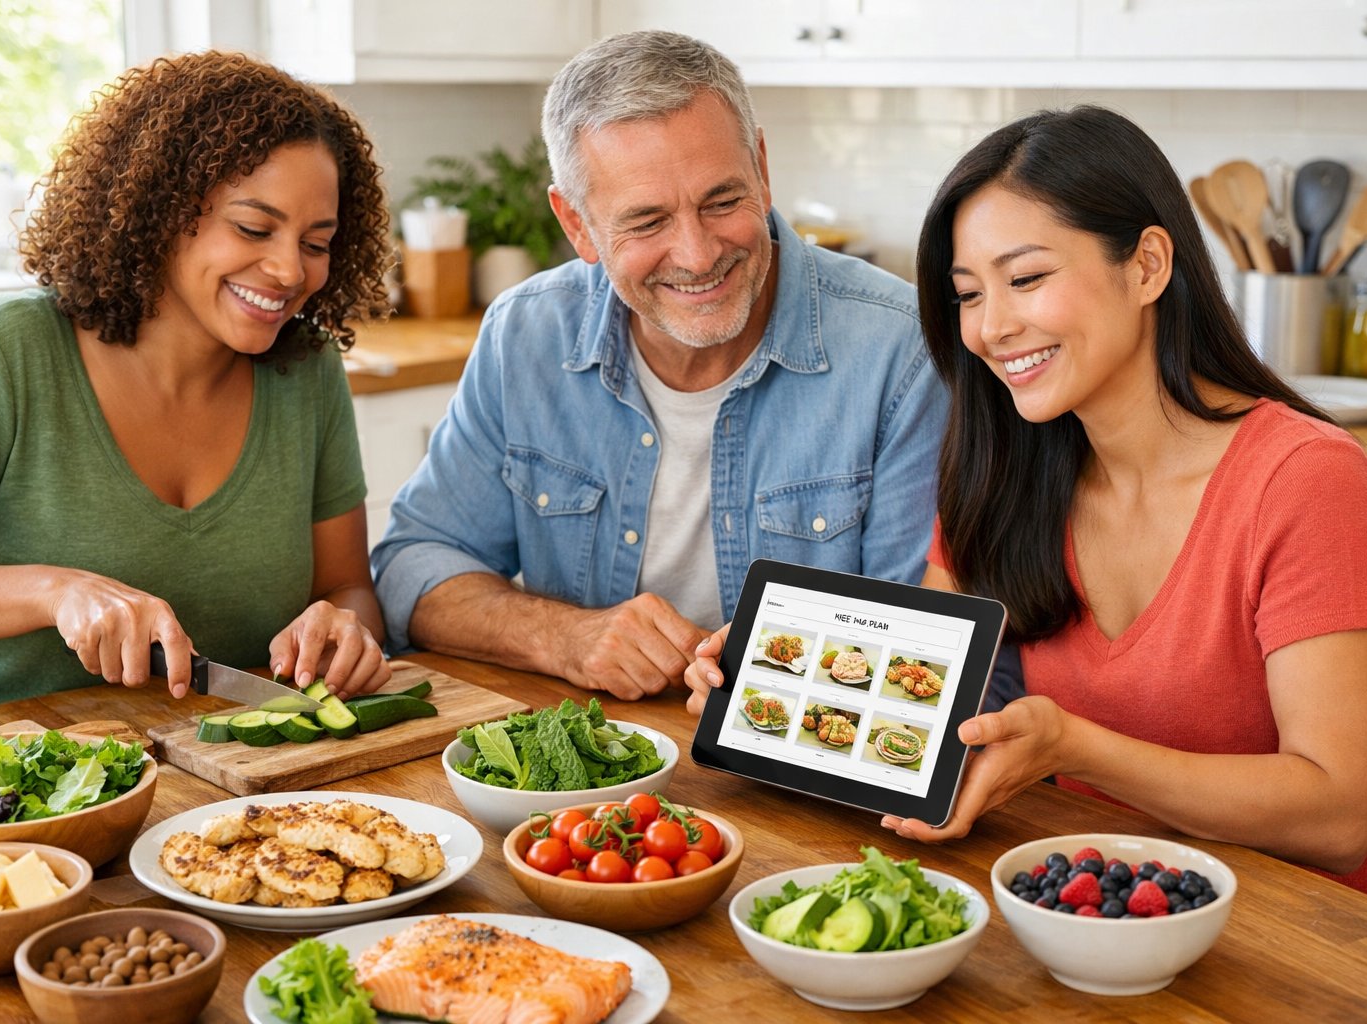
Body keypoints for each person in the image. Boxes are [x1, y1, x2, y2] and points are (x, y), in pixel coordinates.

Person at [697, 105, 1367, 908]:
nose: (993, 326)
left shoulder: (1307, 480)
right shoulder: (1007, 469)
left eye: (1027, 278)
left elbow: (1338, 815)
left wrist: (1074, 747)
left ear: (1147, 266)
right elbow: (921, 702)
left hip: (1329, 941)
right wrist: (779, 682)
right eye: (968, 294)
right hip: (1102, 906)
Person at [370, 31, 949, 700]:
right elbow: (415, 567)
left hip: (806, 781)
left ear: (761, 166)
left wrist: (780, 673)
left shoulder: (902, 349)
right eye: (647, 222)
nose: (698, 255)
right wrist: (566, 638)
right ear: (577, 225)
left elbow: (925, 644)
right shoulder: (524, 333)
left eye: (722, 201)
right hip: (589, 768)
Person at [0, 50, 398, 728]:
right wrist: (54, 591)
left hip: (212, 781)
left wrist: (345, 633)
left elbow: (346, 586)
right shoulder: (4, 351)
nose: (286, 270)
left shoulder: (306, 368)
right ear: (159, 208)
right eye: (253, 227)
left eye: (316, 242)